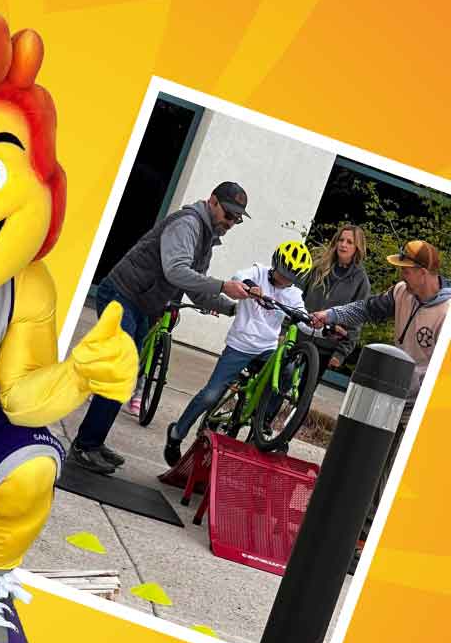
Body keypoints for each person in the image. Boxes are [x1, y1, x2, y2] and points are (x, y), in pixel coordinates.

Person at [69, 181, 254, 474]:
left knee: (127, 376)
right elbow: (177, 270)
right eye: (228, 215)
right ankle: (83, 447)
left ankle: (93, 442)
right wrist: (223, 286)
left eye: (236, 219)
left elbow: (197, 288)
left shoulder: (207, 237)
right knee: (119, 372)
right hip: (122, 294)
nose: (230, 222)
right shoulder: (189, 224)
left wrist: (232, 308)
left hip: (142, 305)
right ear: (212, 202)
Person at [312, 240, 450, 571]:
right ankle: (352, 532)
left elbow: (438, 372)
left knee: (390, 471)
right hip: (394, 392)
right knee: (368, 464)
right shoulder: (403, 291)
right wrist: (330, 314)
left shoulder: (446, 313)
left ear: (423, 272)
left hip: (421, 404)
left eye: (405, 268)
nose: (399, 273)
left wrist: (406, 383)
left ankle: (366, 542)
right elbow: (365, 308)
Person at [163, 241, 311, 463]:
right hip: (239, 346)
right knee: (210, 395)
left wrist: (320, 325)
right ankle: (176, 433)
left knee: (288, 371)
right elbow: (238, 276)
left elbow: (305, 322)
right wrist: (251, 287)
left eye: (290, 278)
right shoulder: (257, 272)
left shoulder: (293, 295)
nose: (284, 280)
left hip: (267, 350)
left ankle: (263, 421)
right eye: (282, 273)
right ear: (275, 265)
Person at [299, 224, 372, 372]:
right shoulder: (318, 267)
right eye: (341, 240)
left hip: (326, 346)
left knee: (304, 393)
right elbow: (296, 296)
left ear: (357, 247)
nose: (343, 245)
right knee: (281, 380)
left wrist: (340, 354)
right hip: (300, 336)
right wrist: (284, 329)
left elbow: (356, 320)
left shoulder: (361, 281)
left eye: (350, 242)